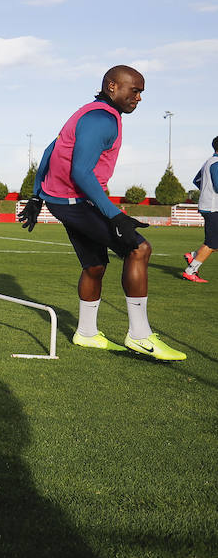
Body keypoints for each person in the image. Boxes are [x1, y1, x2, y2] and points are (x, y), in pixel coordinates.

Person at [19, 65, 185, 360]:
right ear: (112, 86)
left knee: (95, 266)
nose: (139, 98)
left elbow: (50, 149)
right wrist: (115, 215)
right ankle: (140, 335)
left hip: (66, 201)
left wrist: (36, 194)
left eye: (141, 92)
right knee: (139, 249)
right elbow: (81, 172)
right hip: (75, 202)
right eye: (134, 91)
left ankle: (85, 333)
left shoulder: (90, 111)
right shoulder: (102, 120)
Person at [181, 136, 218, 283]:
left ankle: (193, 255)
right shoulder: (216, 163)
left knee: (214, 242)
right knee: (212, 243)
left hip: (209, 205)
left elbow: (196, 180)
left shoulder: (209, 162)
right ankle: (190, 271)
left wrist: (205, 192)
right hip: (213, 207)